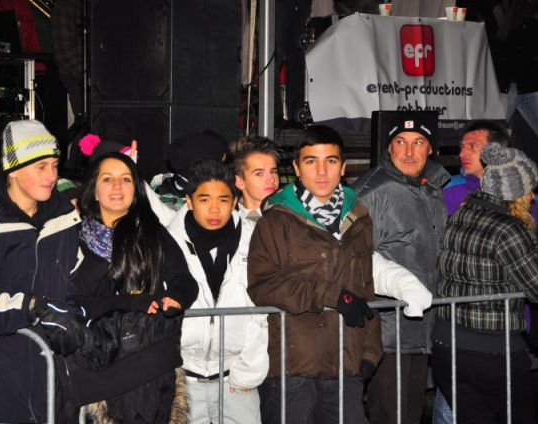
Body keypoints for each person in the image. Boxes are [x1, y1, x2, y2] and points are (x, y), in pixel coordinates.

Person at [248, 125, 382, 424]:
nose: (322, 171)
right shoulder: (276, 220)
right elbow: (263, 286)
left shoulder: (359, 218)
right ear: (297, 169)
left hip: (347, 366)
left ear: (343, 167)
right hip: (293, 369)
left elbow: (367, 287)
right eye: (311, 161)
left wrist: (371, 353)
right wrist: (330, 294)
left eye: (330, 161)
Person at [0, 120, 82, 423]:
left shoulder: (64, 218)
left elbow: (75, 285)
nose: (52, 176)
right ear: (13, 169)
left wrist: (76, 320)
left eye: (55, 165)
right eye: (41, 167)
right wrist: (30, 307)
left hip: (53, 392)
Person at [52, 150, 199, 424]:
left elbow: (185, 281)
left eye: (126, 179)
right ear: (94, 190)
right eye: (108, 179)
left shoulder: (153, 233)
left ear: (136, 188)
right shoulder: (71, 237)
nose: (118, 186)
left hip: (147, 363)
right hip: (94, 364)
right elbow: (73, 300)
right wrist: (132, 302)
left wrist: (176, 298)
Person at [353, 113, 450, 424]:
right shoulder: (373, 191)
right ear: (389, 147)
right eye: (401, 142)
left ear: (430, 149)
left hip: (422, 326)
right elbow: (354, 260)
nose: (409, 152)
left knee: (410, 412)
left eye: (418, 142)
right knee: (389, 413)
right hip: (386, 332)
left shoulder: (431, 188)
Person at [432, 142, 538, 424]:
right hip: (493, 351)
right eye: (530, 189)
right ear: (516, 192)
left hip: (446, 344)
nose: (533, 196)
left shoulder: (462, 214)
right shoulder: (509, 228)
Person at [167, 159, 269, 424]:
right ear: (189, 201)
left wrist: (248, 371)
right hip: (182, 382)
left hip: (237, 379)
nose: (214, 209)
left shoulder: (255, 239)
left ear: (234, 201)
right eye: (204, 199)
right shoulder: (167, 242)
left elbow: (261, 310)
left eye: (223, 199)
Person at [230, 136, 280, 221]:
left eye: (273, 172)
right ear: (239, 182)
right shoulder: (229, 220)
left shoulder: (291, 215)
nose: (271, 180)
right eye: (259, 174)